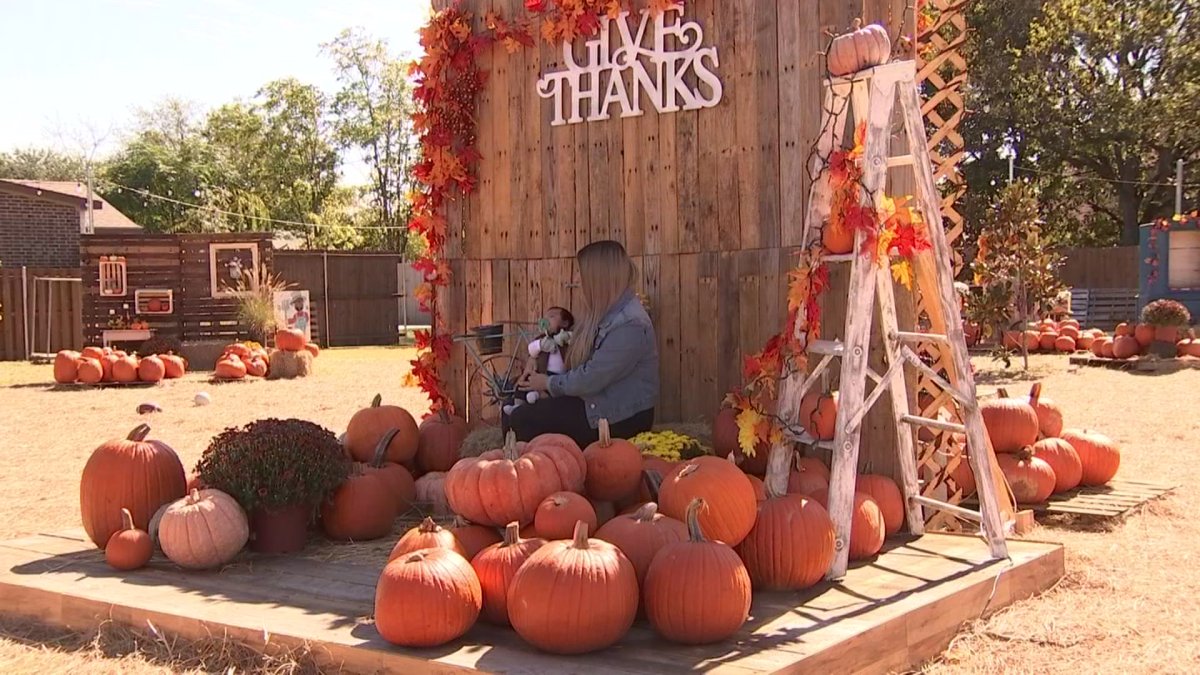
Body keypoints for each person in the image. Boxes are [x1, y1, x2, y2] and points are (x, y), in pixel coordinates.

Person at [508, 240, 658, 447]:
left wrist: (547, 384)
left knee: (522, 419)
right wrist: (536, 361)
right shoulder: (607, 314)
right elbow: (566, 348)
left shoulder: (630, 325)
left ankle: (534, 474)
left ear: (599, 277)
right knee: (514, 400)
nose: (577, 279)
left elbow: (591, 379)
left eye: (581, 273)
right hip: (596, 402)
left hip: (617, 416)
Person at [503, 306, 575, 416]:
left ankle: (535, 395)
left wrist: (567, 338)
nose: (546, 320)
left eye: (551, 316)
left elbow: (576, 349)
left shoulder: (568, 339)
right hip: (542, 371)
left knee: (551, 386)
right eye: (545, 317)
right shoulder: (542, 338)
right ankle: (517, 406)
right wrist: (540, 345)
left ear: (565, 323)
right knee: (524, 381)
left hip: (559, 376)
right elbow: (531, 350)